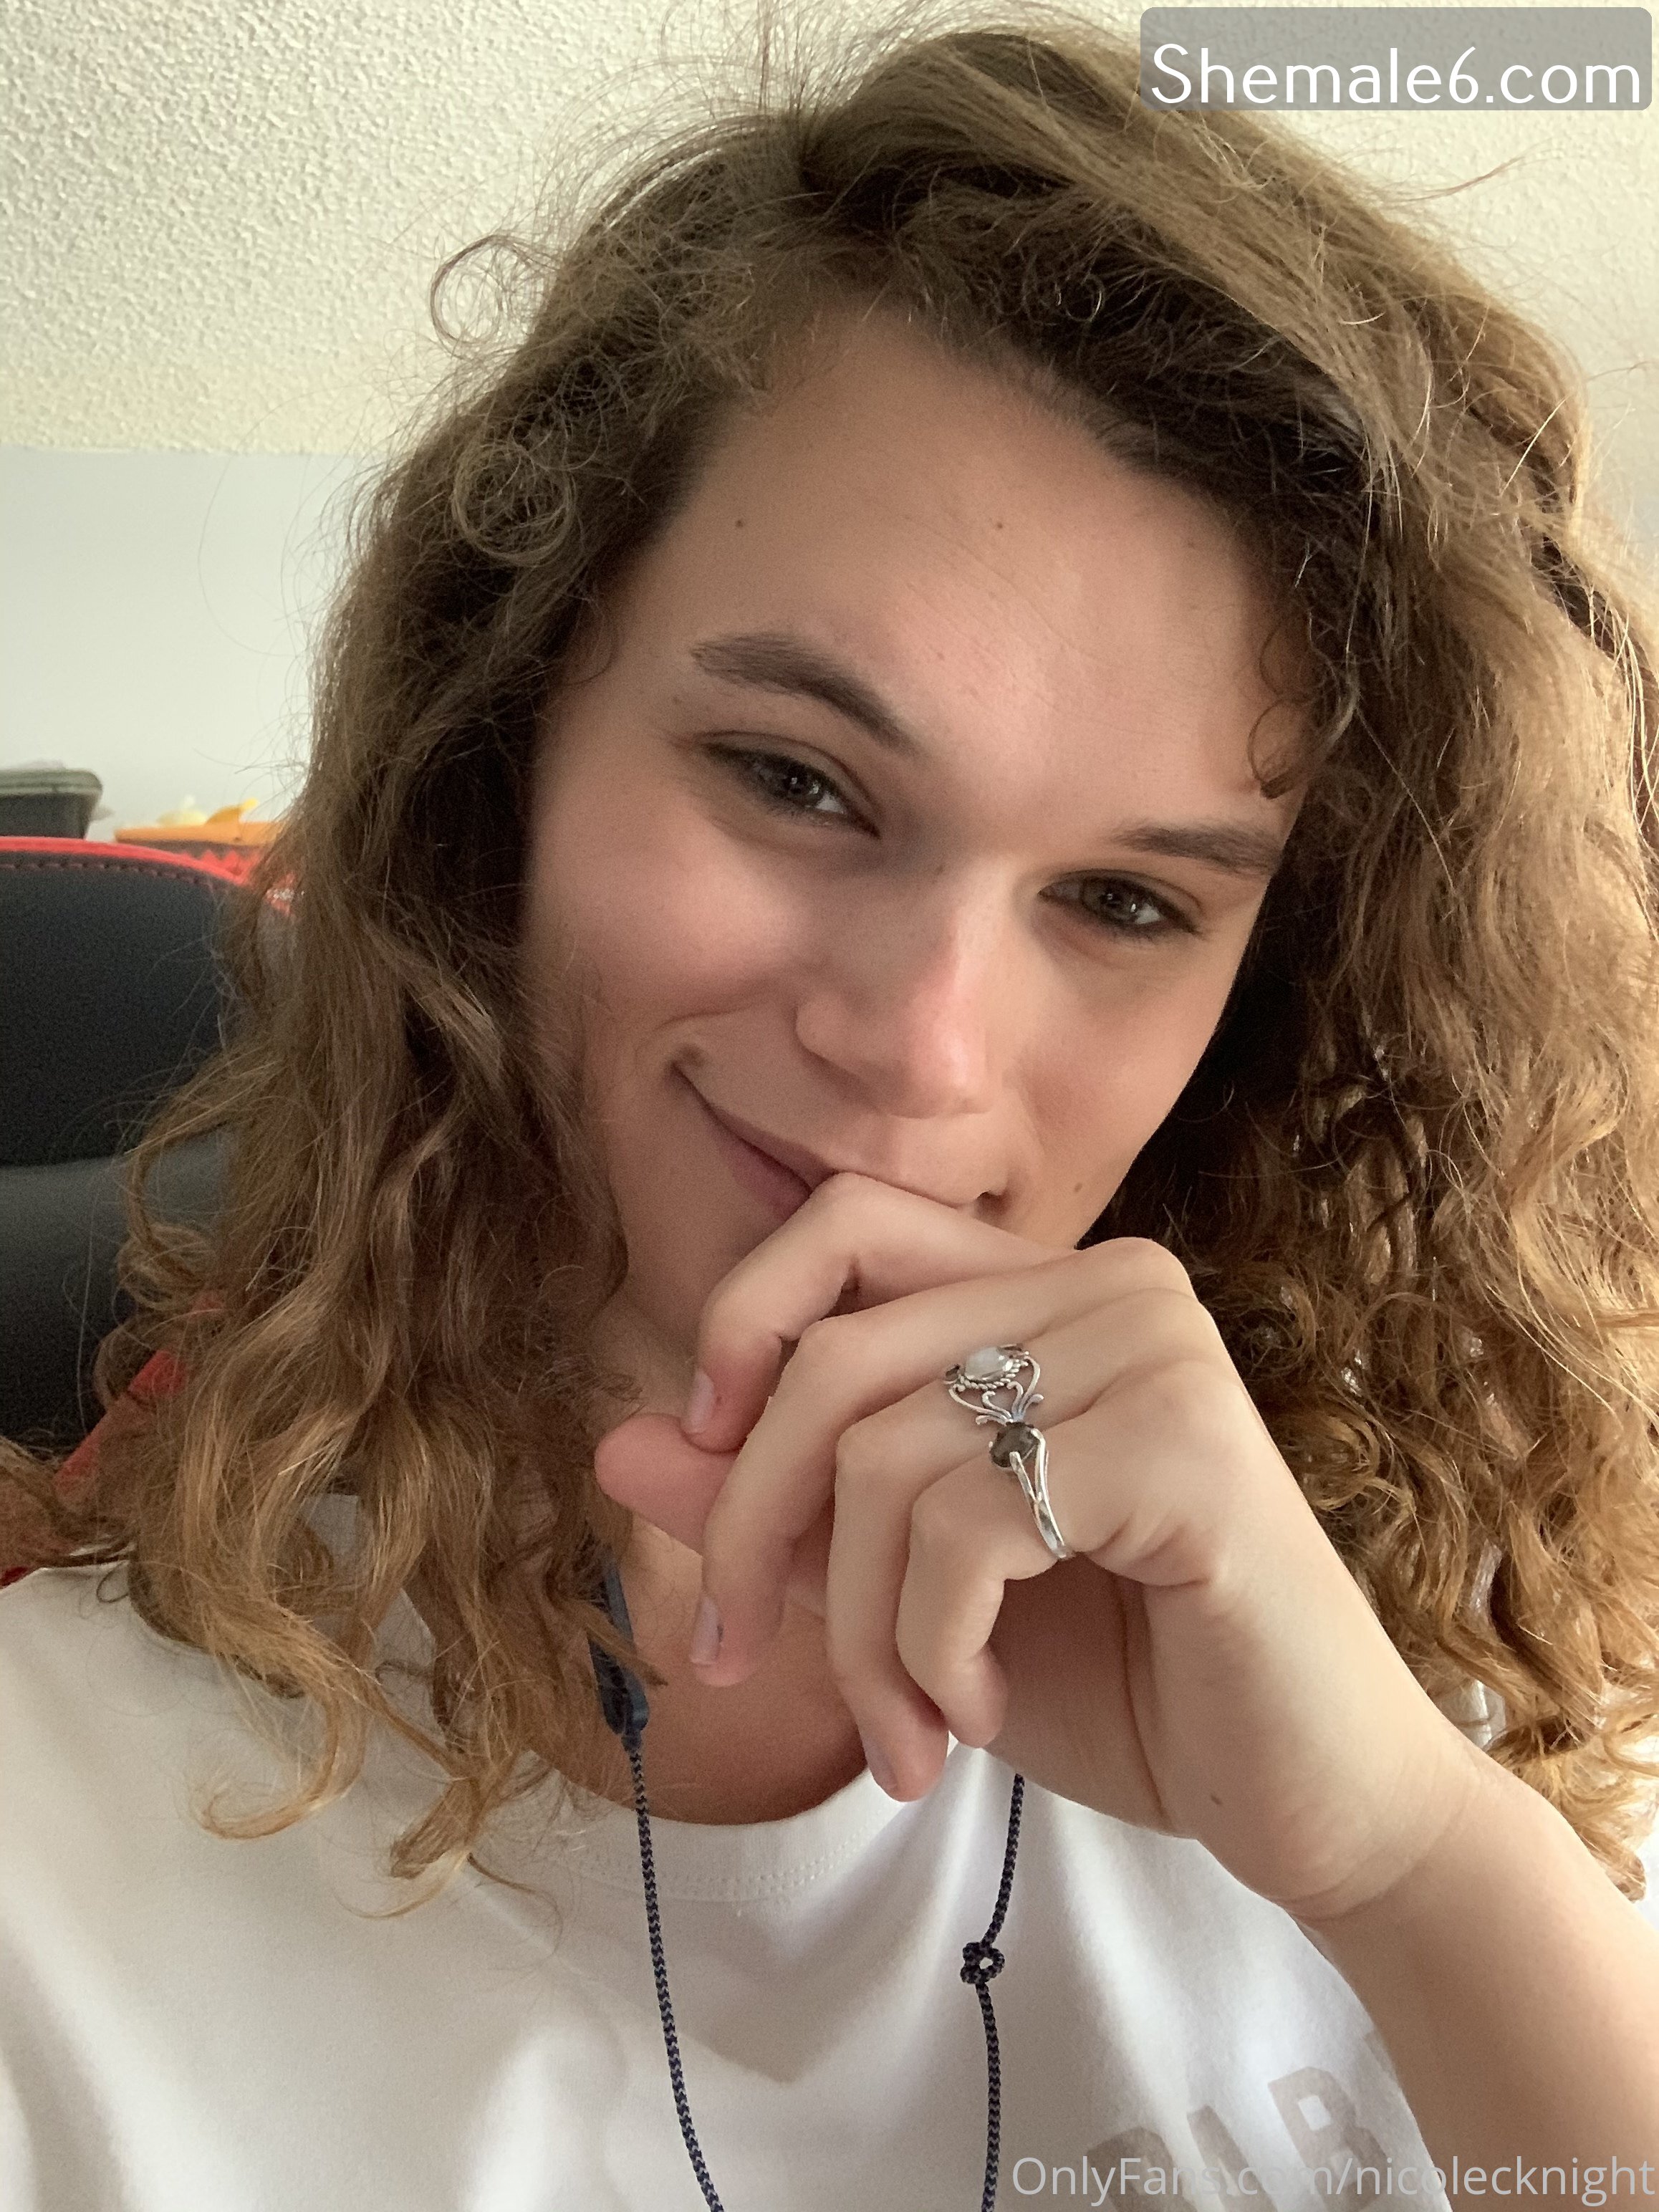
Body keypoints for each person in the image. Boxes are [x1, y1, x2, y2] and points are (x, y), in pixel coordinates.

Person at [4, 14, 1658, 2211]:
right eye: (796, 780)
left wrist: (1415, 1868)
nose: (925, 1047)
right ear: (504, 748)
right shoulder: (54, 1863)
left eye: (1125, 901)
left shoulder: (1443, 1642)